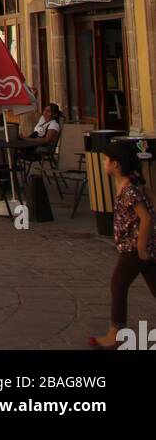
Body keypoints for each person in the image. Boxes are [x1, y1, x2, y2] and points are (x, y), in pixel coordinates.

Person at [88, 140, 156, 349]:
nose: (104, 163)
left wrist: (142, 248)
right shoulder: (131, 185)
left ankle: (115, 333)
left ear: (116, 164)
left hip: (134, 247)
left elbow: (146, 218)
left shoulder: (129, 190)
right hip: (139, 246)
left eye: (106, 160)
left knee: (118, 284)